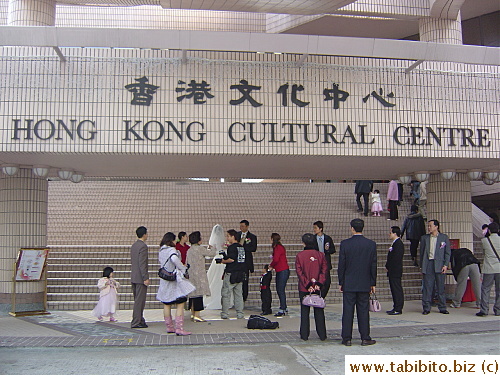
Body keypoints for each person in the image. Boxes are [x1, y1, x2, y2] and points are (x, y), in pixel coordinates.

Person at [338, 218, 377, 346]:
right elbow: (373, 265)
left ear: (352, 228)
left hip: (349, 283)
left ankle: (347, 338)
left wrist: (341, 281)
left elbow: (341, 265)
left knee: (348, 311)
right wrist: (373, 283)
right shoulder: (371, 244)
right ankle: (365, 337)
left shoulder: (345, 244)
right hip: (364, 283)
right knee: (364, 311)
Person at [156, 232, 195, 335]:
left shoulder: (161, 251)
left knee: (166, 304)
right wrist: (183, 268)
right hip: (174, 279)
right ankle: (179, 328)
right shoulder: (172, 250)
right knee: (180, 303)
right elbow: (174, 260)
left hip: (164, 280)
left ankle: (169, 327)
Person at [295, 233, 328, 341]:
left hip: (304, 288)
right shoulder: (320, 255)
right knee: (319, 311)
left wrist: (308, 284)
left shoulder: (300, 255)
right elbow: (324, 271)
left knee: (305, 312)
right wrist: (318, 284)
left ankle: (304, 334)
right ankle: (322, 334)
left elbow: (299, 272)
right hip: (318, 287)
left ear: (303, 243)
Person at [420, 219, 451, 315]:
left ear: (436, 227)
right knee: (427, 287)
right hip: (428, 263)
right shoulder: (424, 238)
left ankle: (442, 307)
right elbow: (421, 253)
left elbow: (447, 252)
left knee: (440, 287)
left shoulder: (444, 237)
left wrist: (446, 265)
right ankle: (426, 307)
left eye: (430, 226)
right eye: (428, 226)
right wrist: (422, 266)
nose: (429, 227)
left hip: (440, 264)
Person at [186, 231, 217, 322]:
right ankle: (197, 315)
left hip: (191, 274)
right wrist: (212, 248)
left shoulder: (190, 249)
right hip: (199, 275)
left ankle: (192, 314)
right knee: (198, 295)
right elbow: (211, 254)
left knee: (192, 295)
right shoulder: (200, 249)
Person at [221, 229, 247, 319]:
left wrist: (223, 261)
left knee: (226, 294)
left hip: (231, 273)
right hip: (240, 273)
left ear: (233, 237)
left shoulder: (231, 247)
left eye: (228, 236)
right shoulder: (241, 247)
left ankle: (225, 313)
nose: (227, 238)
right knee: (239, 294)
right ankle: (240, 313)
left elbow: (231, 259)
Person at [477, 222, 500, 316]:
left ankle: (484, 310)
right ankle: (498, 310)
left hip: (489, 268)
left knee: (486, 289)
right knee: (499, 290)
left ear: (489, 230)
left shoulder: (484, 241)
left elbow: (484, 253)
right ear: (498, 230)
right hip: (499, 268)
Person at [130, 226, 150, 329]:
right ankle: (136, 321)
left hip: (134, 277)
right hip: (140, 278)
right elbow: (142, 264)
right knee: (140, 301)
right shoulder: (143, 247)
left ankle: (140, 319)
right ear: (144, 234)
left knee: (137, 300)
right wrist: (145, 277)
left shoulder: (134, 246)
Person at [205, 224, 226, 310]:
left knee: (213, 279)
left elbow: (209, 255)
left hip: (216, 259)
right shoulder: (223, 241)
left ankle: (210, 299)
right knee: (222, 280)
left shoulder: (212, 242)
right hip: (223, 259)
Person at [313, 221, 336, 298]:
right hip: (316, 262)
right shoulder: (313, 238)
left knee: (327, 281)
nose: (314, 230)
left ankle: (322, 296)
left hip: (325, 261)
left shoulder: (327, 238)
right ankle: (317, 295)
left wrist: (327, 250)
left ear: (321, 229)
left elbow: (333, 250)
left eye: (316, 228)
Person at [269, 233, 290, 317]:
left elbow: (276, 259)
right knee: (281, 289)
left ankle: (282, 308)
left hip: (282, 270)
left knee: (280, 289)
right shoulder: (279, 247)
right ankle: (284, 307)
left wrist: (271, 265)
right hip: (282, 270)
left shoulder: (277, 248)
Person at [386, 226, 404, 315]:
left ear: (395, 233)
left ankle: (398, 307)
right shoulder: (394, 243)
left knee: (396, 288)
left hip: (395, 270)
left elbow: (396, 258)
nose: (389, 234)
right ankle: (395, 306)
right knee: (394, 288)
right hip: (392, 270)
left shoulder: (398, 244)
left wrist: (390, 266)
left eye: (390, 233)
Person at [239, 220, 257, 302]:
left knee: (245, 280)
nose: (241, 228)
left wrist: (243, 248)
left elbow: (253, 248)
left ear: (247, 226)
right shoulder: (237, 235)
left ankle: (244, 297)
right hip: (237, 261)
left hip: (246, 262)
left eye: (243, 226)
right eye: (240, 226)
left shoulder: (252, 237)